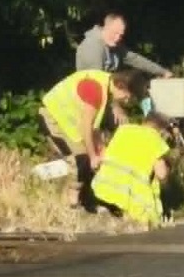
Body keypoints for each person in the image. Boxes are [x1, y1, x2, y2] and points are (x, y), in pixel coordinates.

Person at [38, 67, 150, 207]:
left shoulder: (105, 85)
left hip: (69, 124)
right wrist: (92, 156)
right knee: (82, 160)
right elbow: (86, 127)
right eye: (127, 96)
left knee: (90, 160)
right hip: (53, 118)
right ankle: (69, 201)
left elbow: (93, 126)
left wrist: (100, 149)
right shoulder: (96, 91)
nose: (126, 101)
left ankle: (41, 180)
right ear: (120, 86)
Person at [91, 112, 176, 227]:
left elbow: (105, 155)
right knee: (141, 226)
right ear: (162, 131)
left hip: (102, 188)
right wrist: (167, 183)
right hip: (129, 199)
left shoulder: (123, 130)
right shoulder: (155, 139)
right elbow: (161, 174)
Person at [76, 13, 172, 79]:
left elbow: (135, 59)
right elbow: (96, 79)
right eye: (115, 33)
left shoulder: (114, 46)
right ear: (106, 27)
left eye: (120, 35)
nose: (117, 38)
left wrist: (162, 72)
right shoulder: (93, 46)